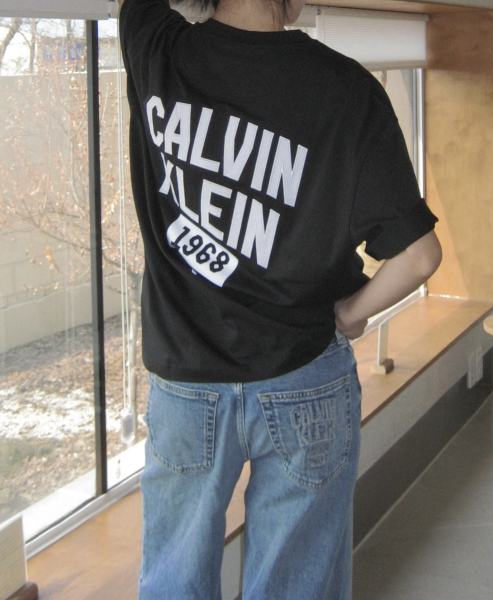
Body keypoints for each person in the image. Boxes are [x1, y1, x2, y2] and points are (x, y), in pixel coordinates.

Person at [118, 0, 442, 598]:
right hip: (305, 377)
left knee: (173, 582)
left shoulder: (156, 47)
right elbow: (419, 256)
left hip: (187, 386)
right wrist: (352, 313)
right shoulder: (349, 91)